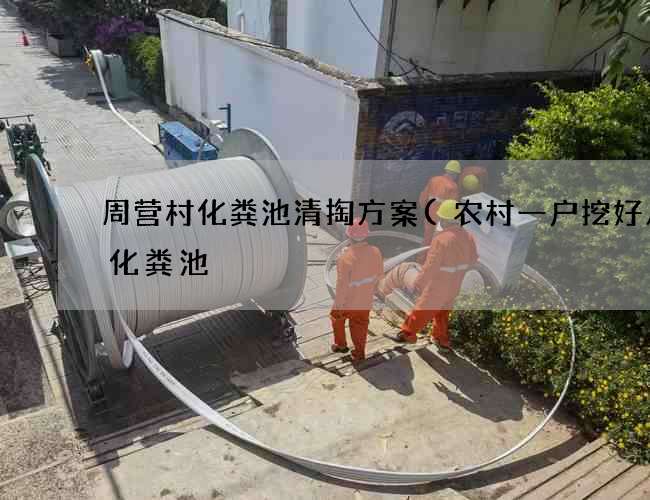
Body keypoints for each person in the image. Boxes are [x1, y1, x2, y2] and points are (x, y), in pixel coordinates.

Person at [381, 200, 478, 352]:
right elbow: (473, 260)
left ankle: (407, 335)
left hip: (438, 285)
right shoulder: (469, 237)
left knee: (421, 310)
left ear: (445, 220)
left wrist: (418, 284)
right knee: (442, 314)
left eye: (441, 218)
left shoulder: (441, 240)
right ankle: (441, 340)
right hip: (454, 286)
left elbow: (430, 266)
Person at [330, 218, 384, 361]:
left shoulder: (345, 258)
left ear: (349, 236)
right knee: (360, 325)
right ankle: (359, 353)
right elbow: (379, 275)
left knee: (336, 317)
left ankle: (341, 345)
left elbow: (342, 285)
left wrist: (338, 304)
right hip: (365, 299)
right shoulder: (376, 252)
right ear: (366, 235)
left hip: (348, 301)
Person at [419, 160, 461, 254]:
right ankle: (432, 259)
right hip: (442, 218)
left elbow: (424, 196)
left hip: (429, 214)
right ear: (455, 174)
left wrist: (424, 208)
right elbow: (453, 206)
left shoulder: (434, 179)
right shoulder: (453, 187)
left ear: (446, 170)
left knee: (427, 239)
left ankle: (420, 259)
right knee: (437, 241)